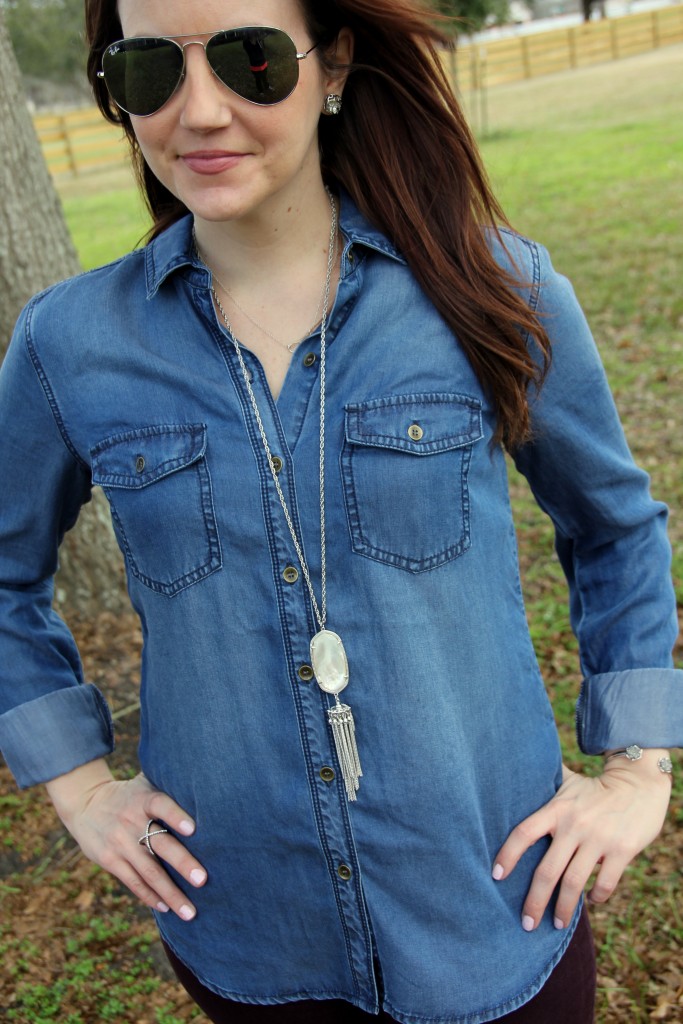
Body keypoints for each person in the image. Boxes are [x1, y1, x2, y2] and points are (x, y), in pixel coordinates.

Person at [0, 1, 680, 1022]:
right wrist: (79, 784)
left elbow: (613, 527)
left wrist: (636, 765)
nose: (200, 110)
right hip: (249, 931)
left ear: (334, 67)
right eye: (149, 70)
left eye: (249, 61)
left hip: (491, 910)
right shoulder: (72, 345)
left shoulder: (493, 286)